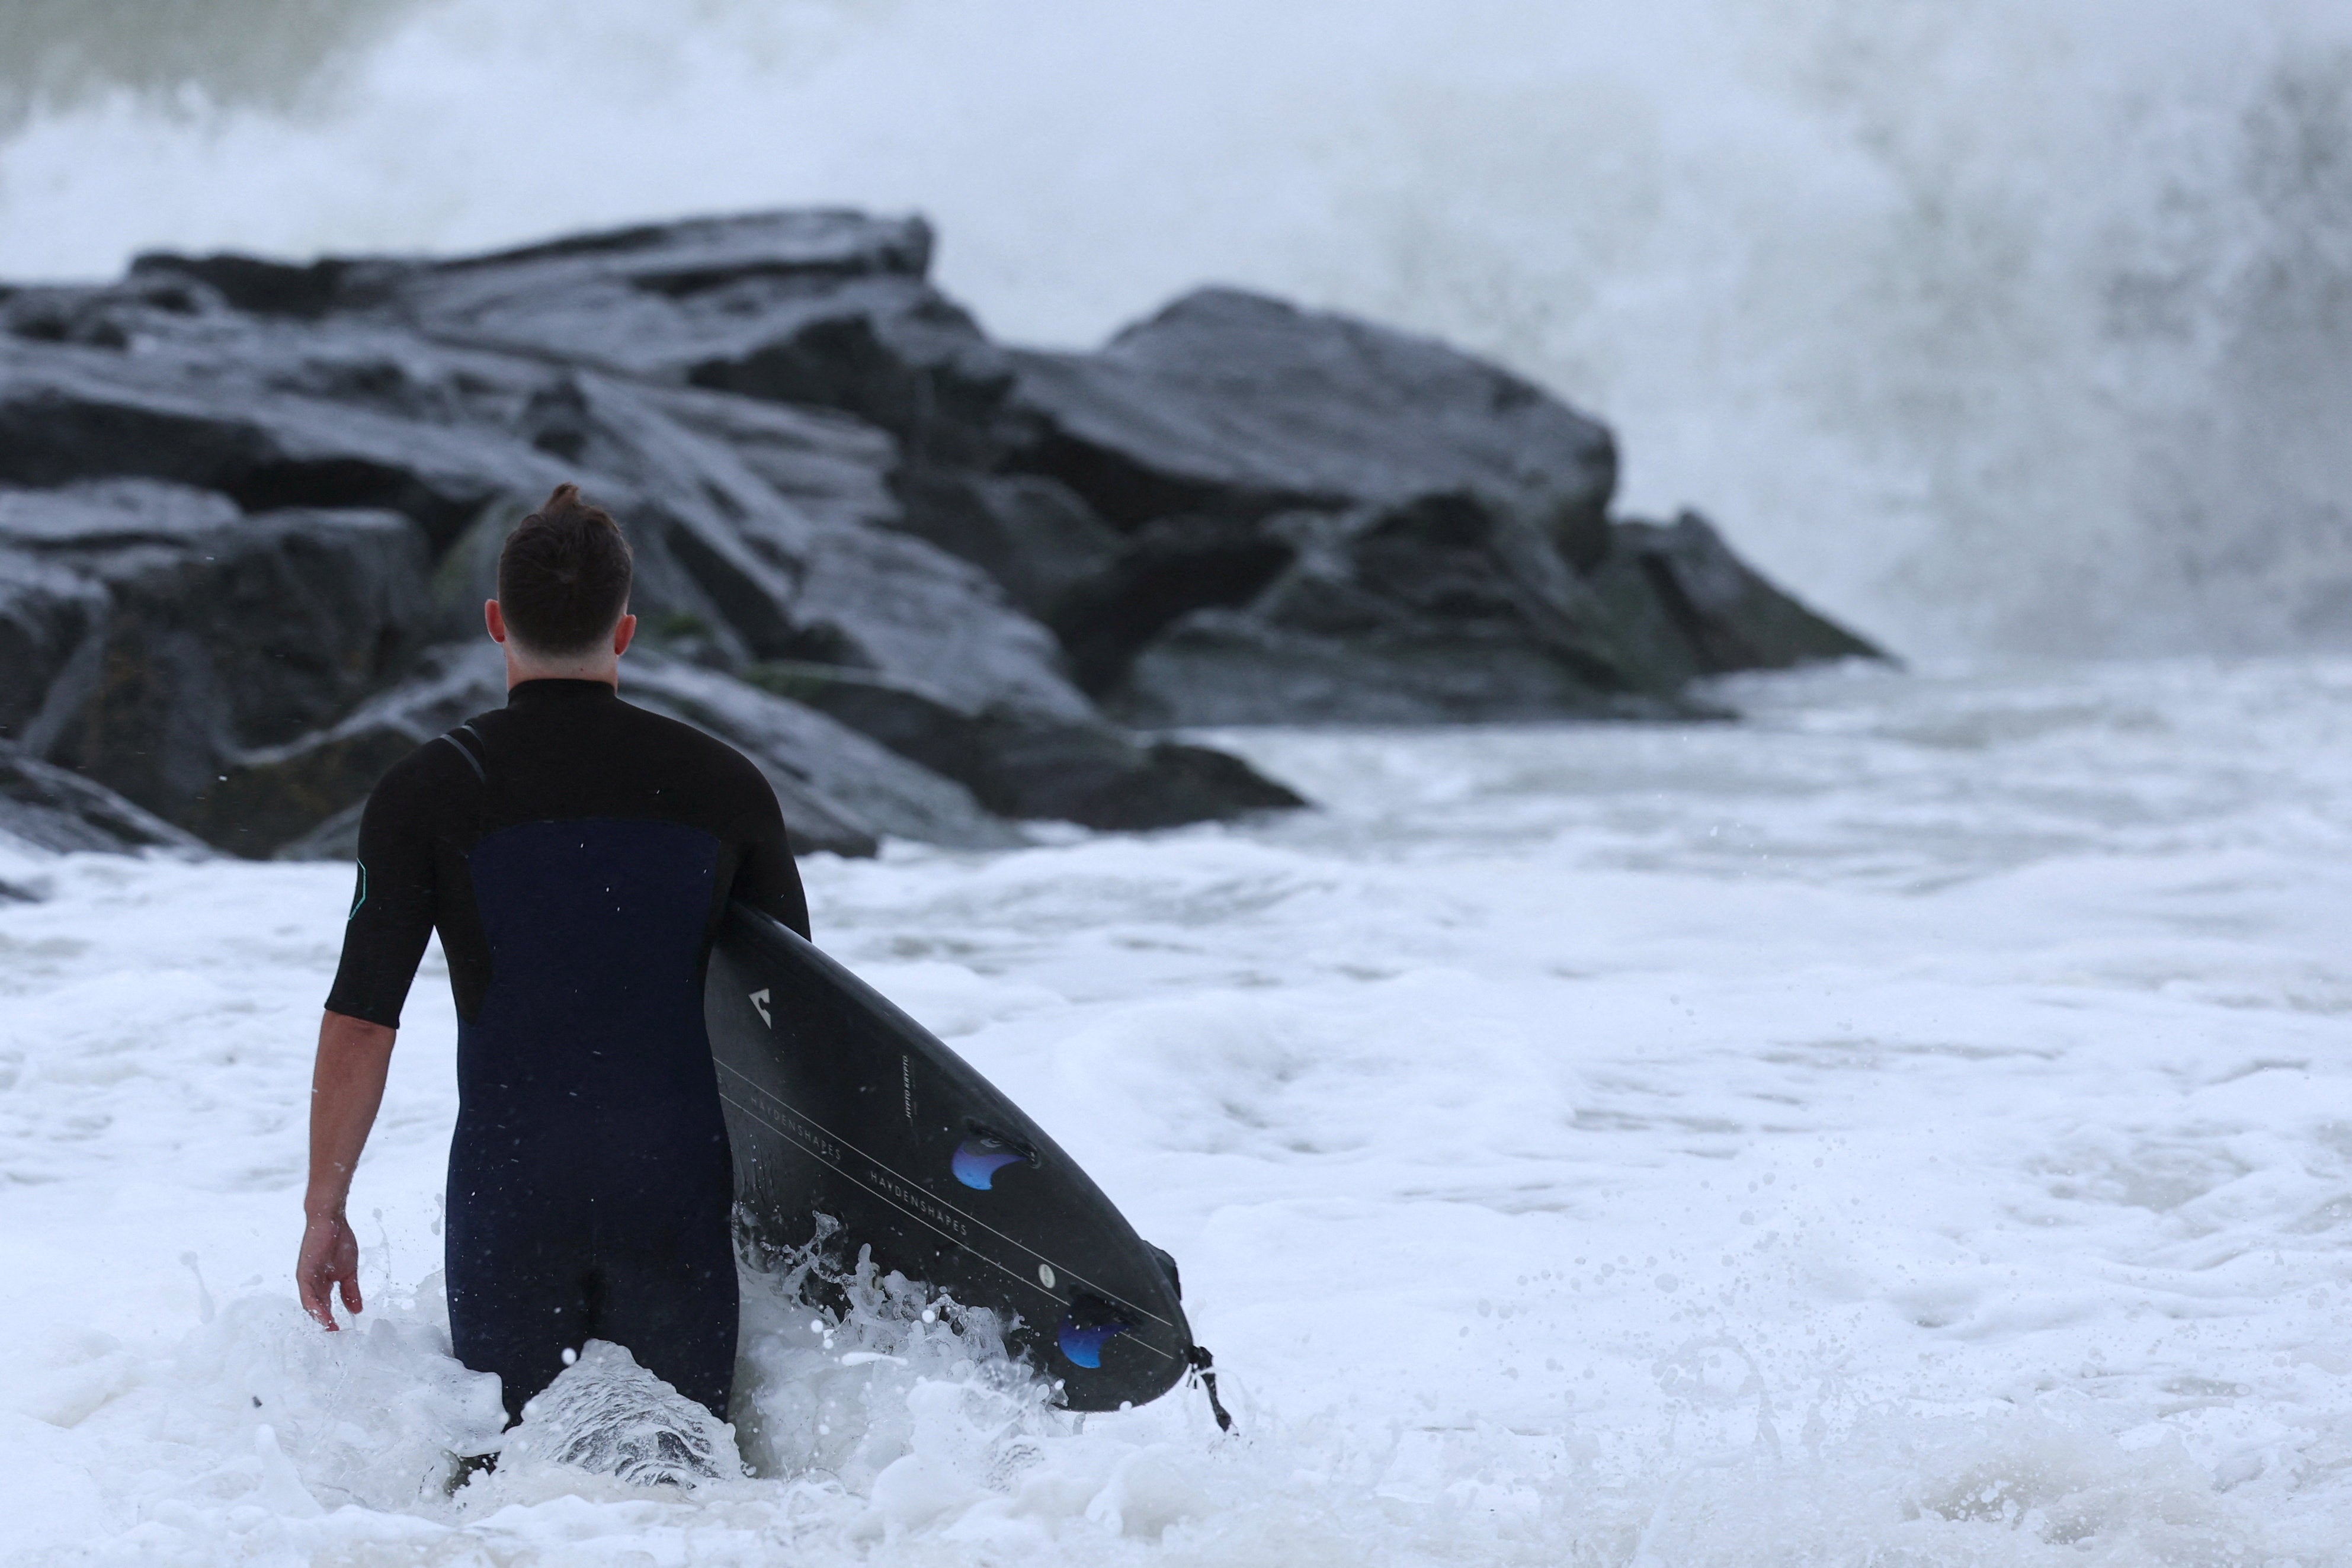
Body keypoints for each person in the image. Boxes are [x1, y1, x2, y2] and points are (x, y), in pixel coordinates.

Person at [296, 483, 809, 1428]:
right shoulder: (725, 784)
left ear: (496, 622)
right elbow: (790, 1018)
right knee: (688, 1485)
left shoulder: (426, 789)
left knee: (516, 1489)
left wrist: (325, 1211)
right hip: (677, 1185)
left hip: (512, 1187)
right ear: (625, 631)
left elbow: (363, 1017)